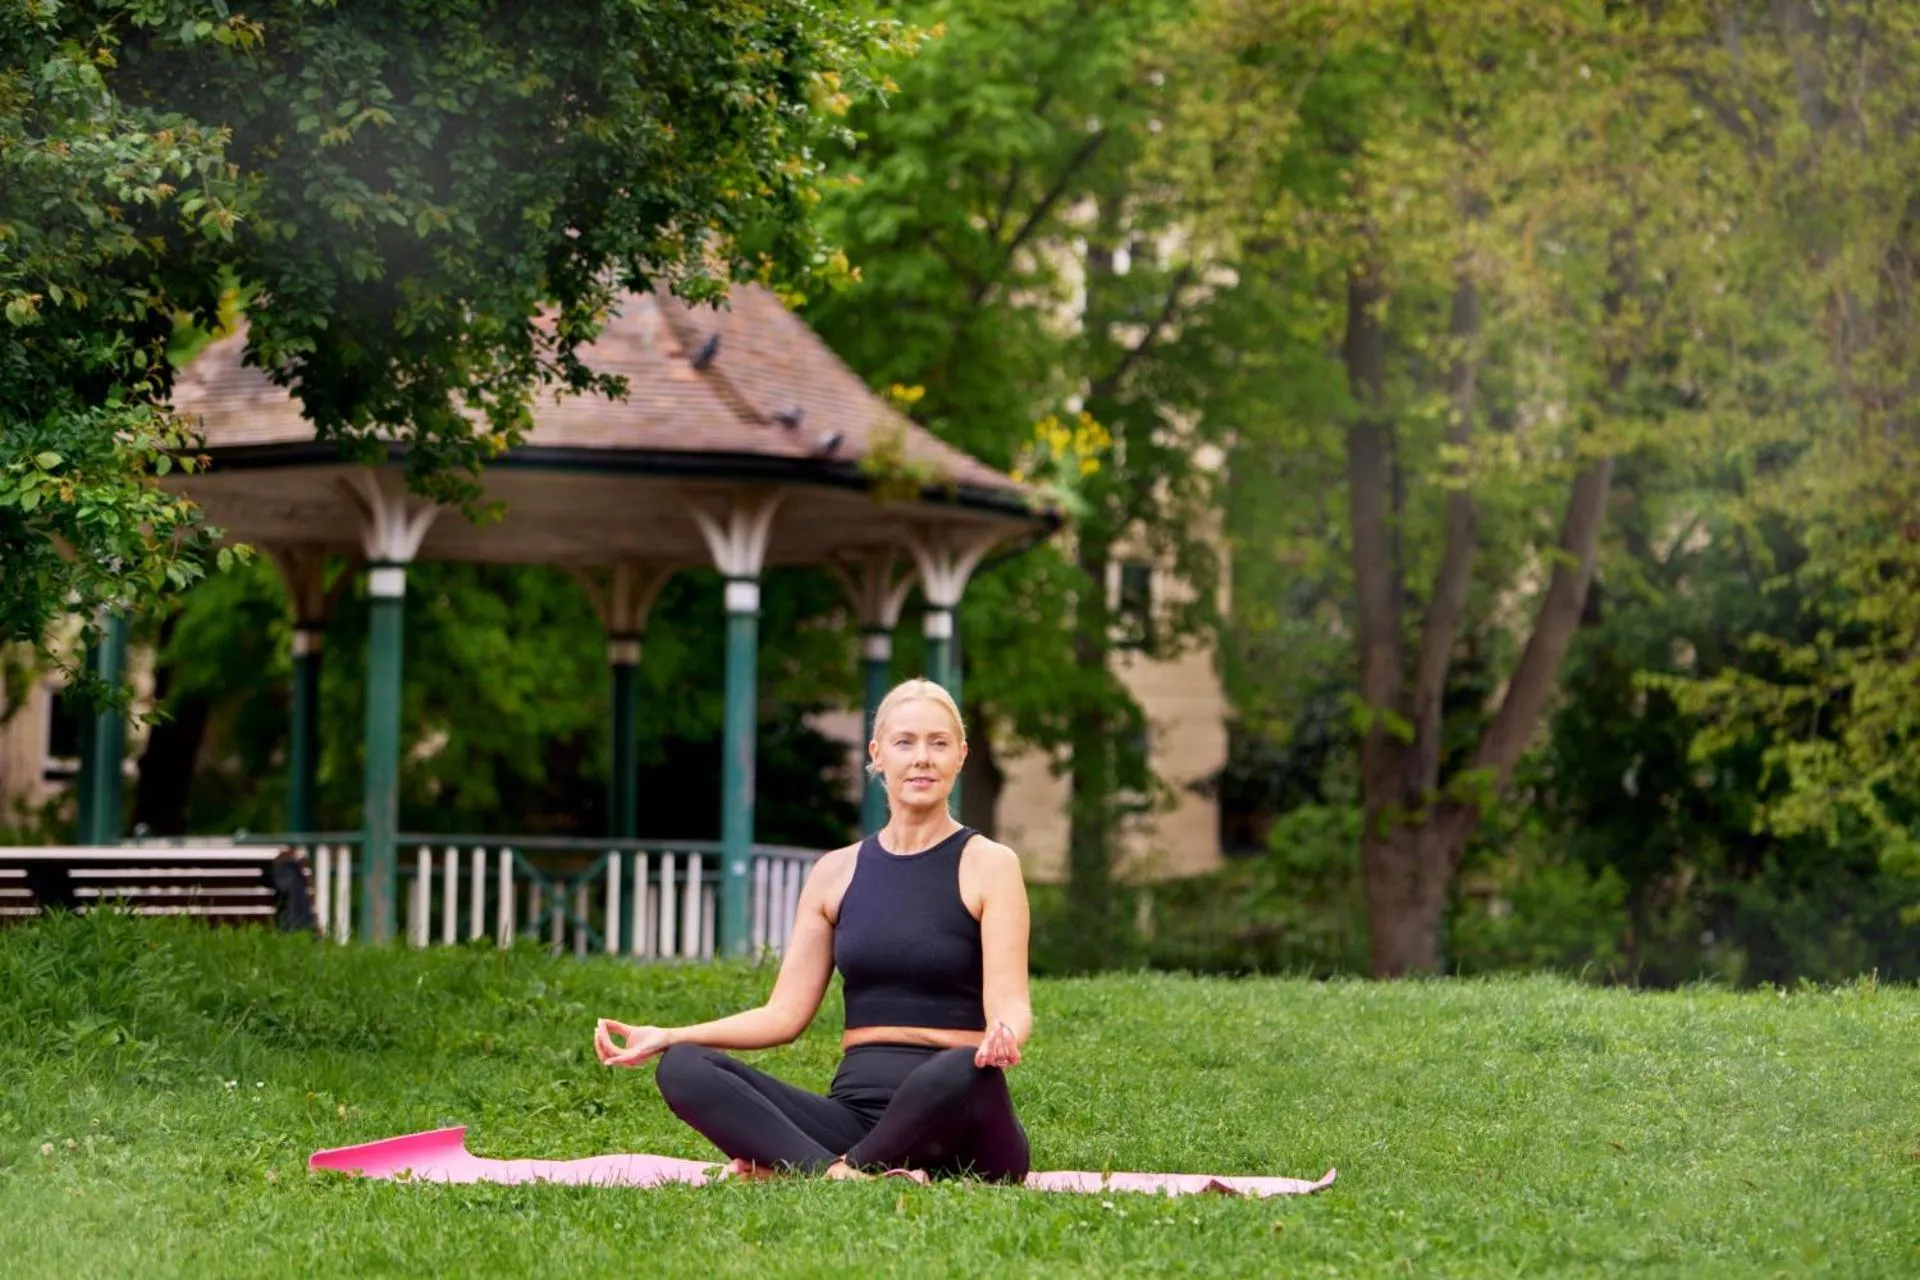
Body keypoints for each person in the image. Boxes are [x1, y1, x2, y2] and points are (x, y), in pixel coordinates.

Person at [592, 678, 1033, 1182]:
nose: (922, 759)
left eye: (938, 743)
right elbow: (783, 1015)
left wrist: (1005, 1033)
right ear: (877, 755)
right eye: (904, 742)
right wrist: (670, 1035)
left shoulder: (991, 865)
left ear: (961, 756)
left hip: (960, 1123)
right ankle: (841, 1173)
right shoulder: (834, 872)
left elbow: (1011, 1003)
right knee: (684, 1066)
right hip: (854, 1121)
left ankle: (822, 1171)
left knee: (963, 1069)